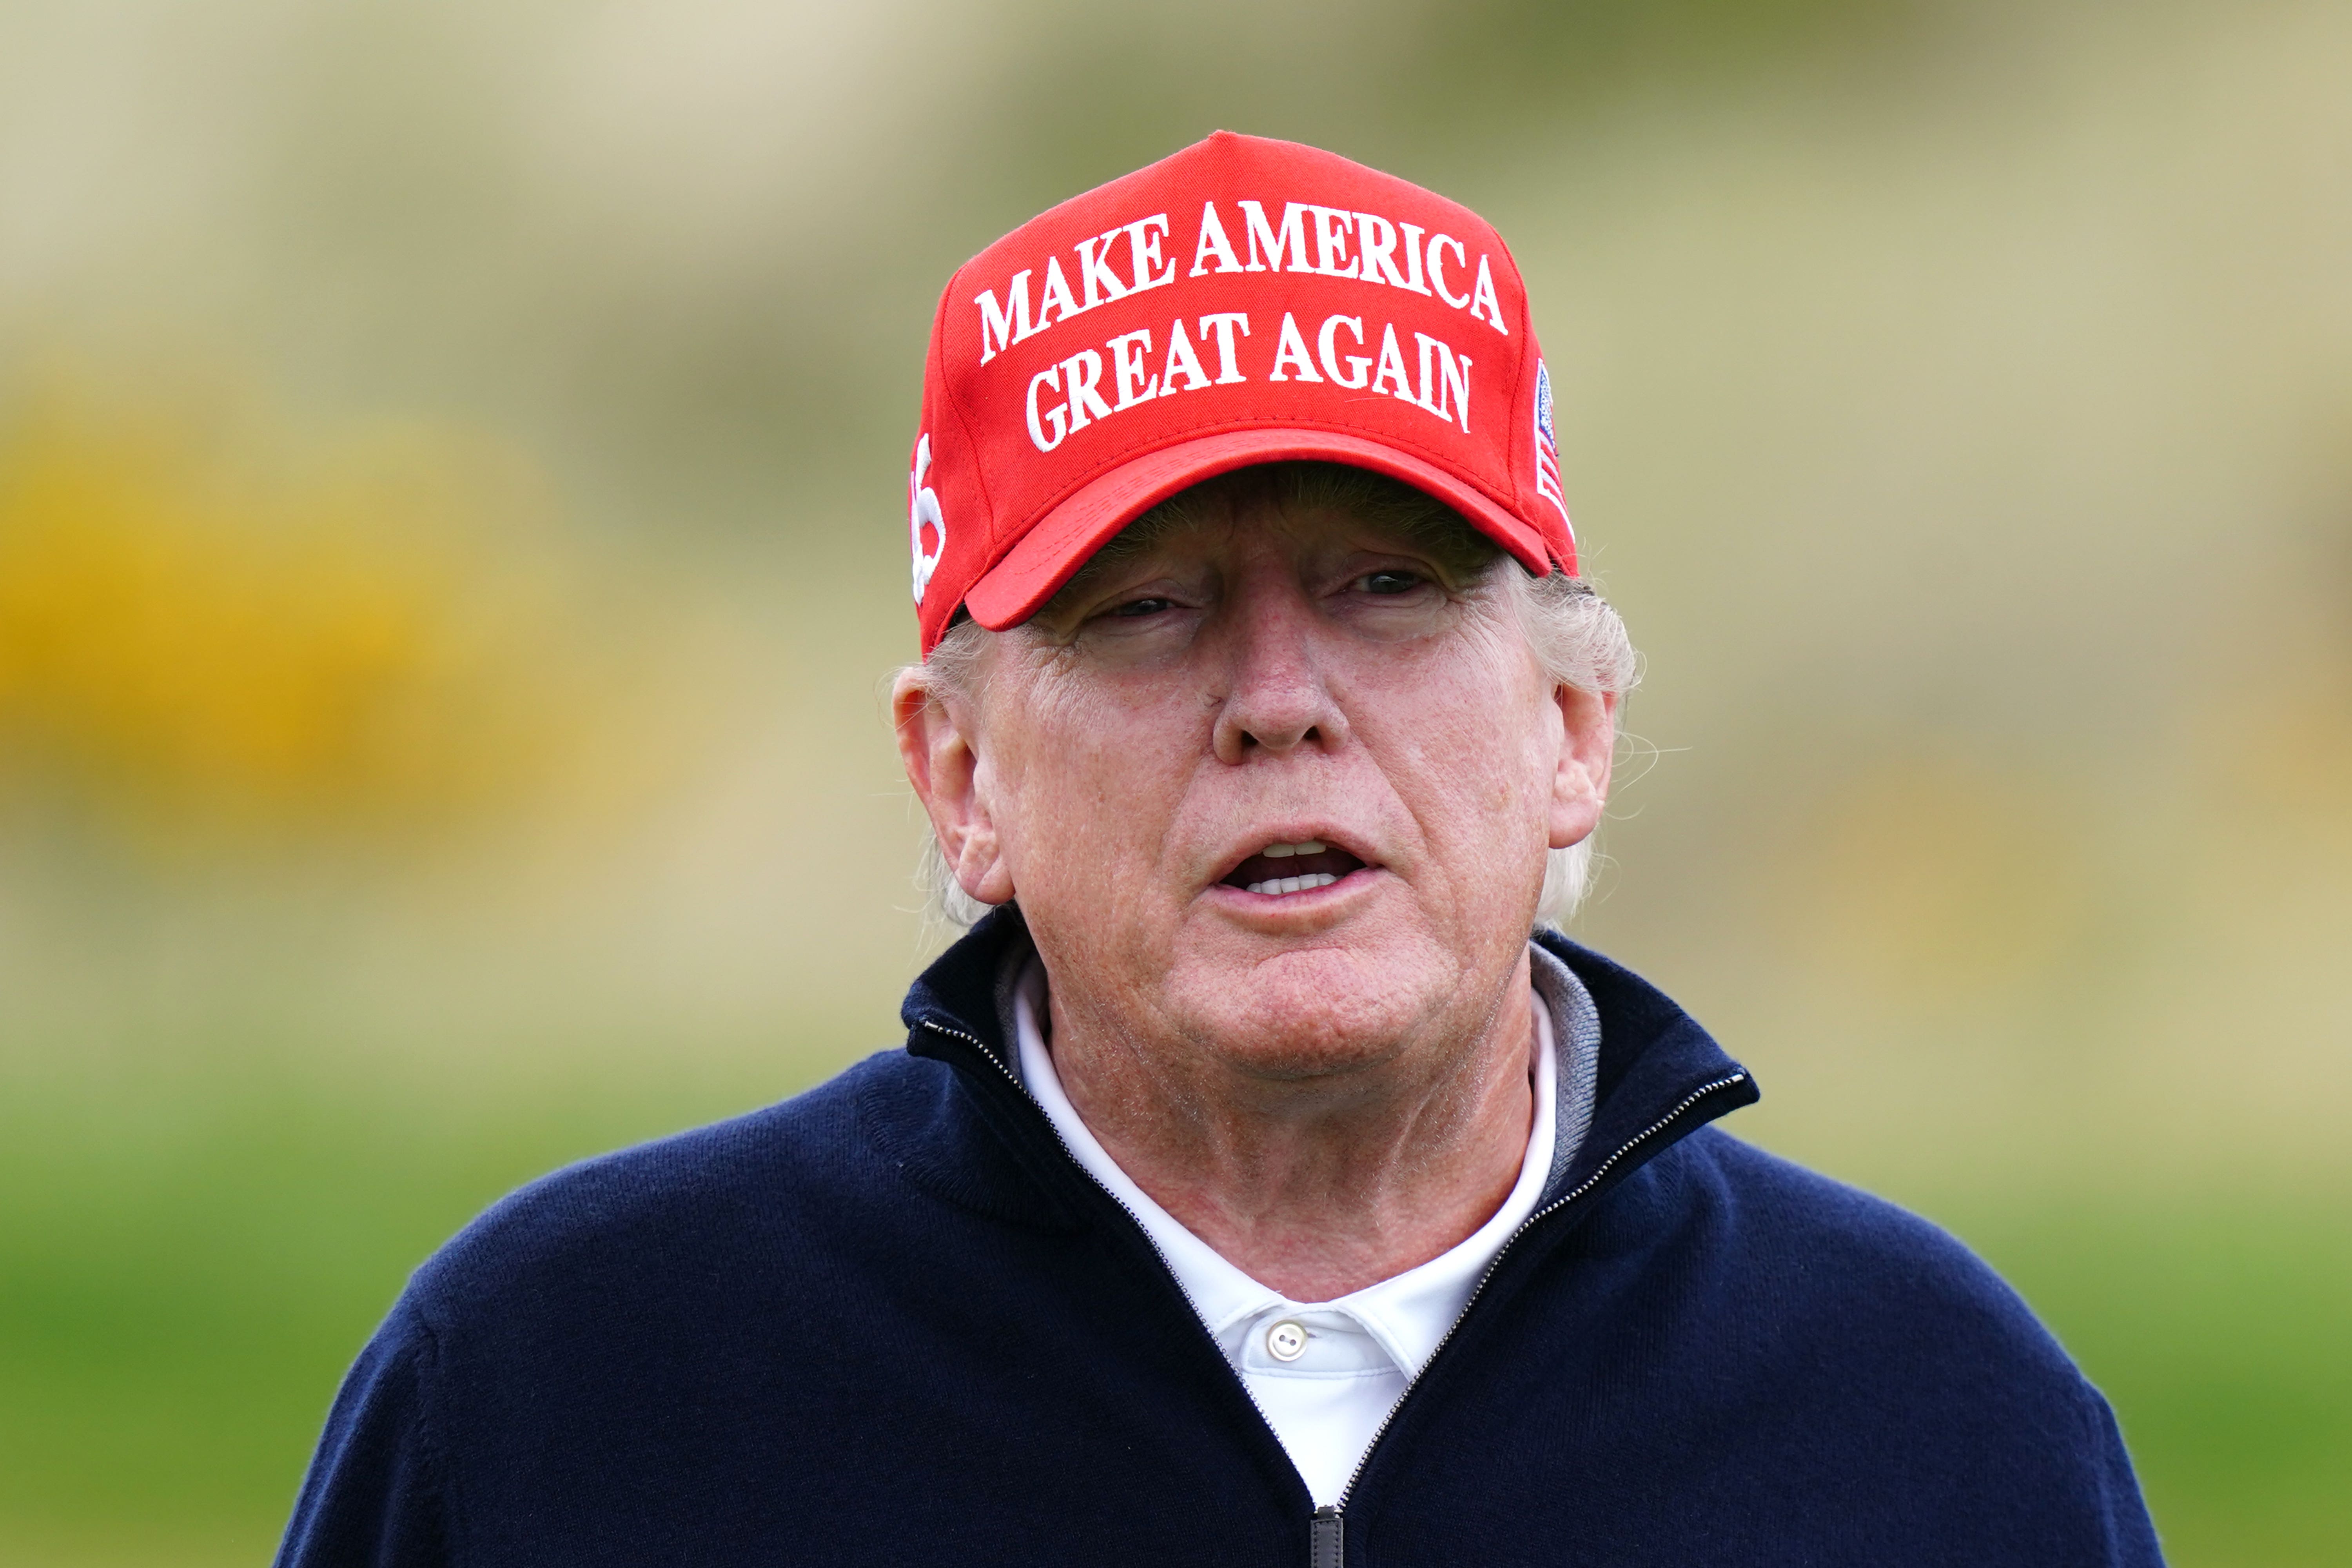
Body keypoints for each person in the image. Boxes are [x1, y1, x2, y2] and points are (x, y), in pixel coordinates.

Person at [278, 132, 2164, 1566]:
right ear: (960, 779)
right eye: (1147, 609)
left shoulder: (1935, 1423)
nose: (1279, 699)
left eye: (1385, 587)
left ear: (1573, 731)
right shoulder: (567, 1393)